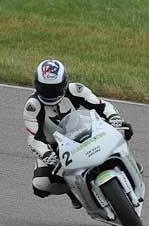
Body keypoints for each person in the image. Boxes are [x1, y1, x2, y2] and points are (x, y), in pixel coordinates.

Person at [23, 59, 134, 208]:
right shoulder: (32, 106)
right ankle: (73, 190)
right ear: (36, 85)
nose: (50, 93)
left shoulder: (75, 90)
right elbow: (33, 138)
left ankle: (129, 165)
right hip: (55, 148)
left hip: (83, 130)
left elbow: (102, 105)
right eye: (45, 88)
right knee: (40, 185)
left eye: (55, 88)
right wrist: (47, 155)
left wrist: (115, 118)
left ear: (64, 83)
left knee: (123, 132)